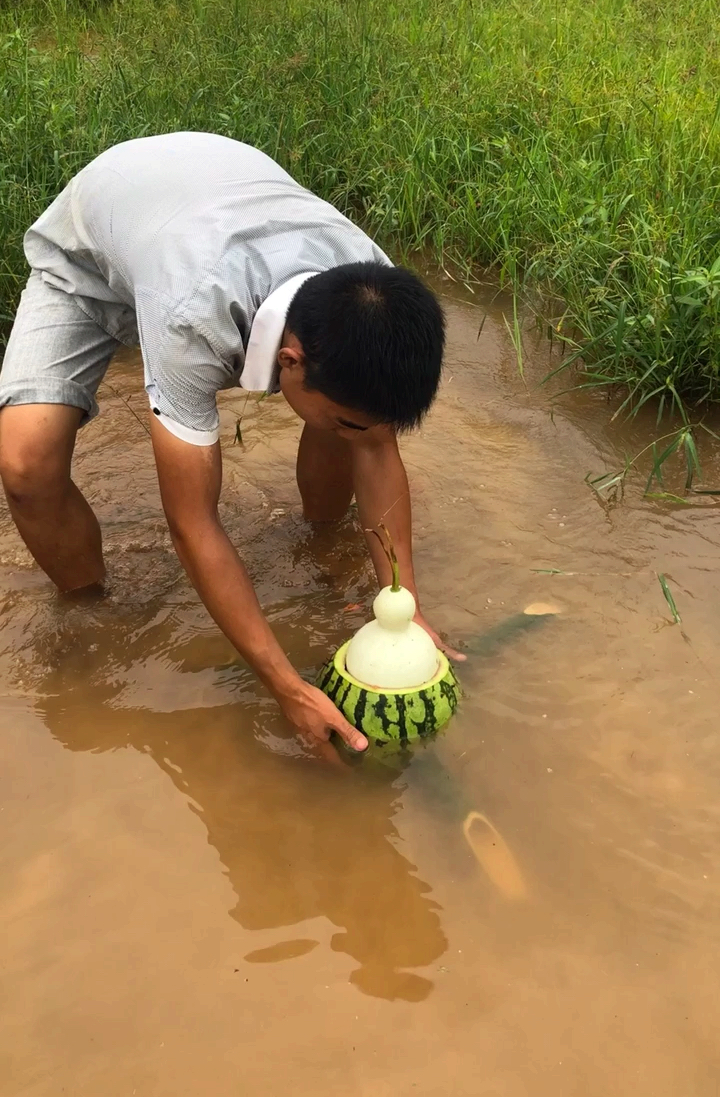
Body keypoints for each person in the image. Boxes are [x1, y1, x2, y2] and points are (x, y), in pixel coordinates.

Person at [0, 131, 452, 755]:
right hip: (94, 251)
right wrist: (284, 684)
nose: (366, 434)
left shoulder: (373, 290)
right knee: (25, 464)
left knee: (344, 423)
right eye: (355, 421)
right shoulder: (193, 316)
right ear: (289, 362)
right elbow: (191, 521)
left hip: (200, 203)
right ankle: (90, 607)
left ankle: (323, 543)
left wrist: (405, 607)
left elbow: (374, 444)